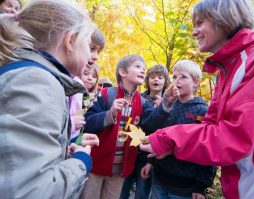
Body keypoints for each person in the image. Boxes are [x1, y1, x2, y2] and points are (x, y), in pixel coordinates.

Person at [140, 0, 254, 198]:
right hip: (244, 185)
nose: (194, 32)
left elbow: (236, 138)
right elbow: (211, 127)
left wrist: (169, 140)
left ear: (224, 18)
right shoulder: (228, 69)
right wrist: (168, 145)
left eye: (200, 23)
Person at [0, 0, 100, 198]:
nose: (92, 55)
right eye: (88, 45)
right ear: (70, 41)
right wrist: (80, 161)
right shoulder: (37, 81)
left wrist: (61, 155)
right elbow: (30, 191)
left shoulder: (28, 75)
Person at [81, 54, 178, 199]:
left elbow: (151, 125)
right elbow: (87, 123)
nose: (143, 71)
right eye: (138, 66)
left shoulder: (143, 102)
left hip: (121, 170)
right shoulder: (105, 94)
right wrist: (110, 113)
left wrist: (165, 105)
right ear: (123, 72)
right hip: (96, 166)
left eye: (144, 68)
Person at [142, 60, 215, 199]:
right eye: (174, 77)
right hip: (159, 178)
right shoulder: (169, 106)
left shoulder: (202, 111)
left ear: (196, 82)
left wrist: (200, 186)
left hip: (184, 186)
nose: (177, 81)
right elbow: (155, 133)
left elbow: (207, 149)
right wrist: (150, 162)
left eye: (183, 77)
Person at [120, 64, 170, 199]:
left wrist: (151, 162)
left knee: (142, 193)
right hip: (130, 152)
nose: (156, 80)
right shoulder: (138, 99)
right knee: (122, 191)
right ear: (147, 80)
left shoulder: (170, 103)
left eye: (160, 77)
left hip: (149, 157)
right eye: (152, 77)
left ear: (166, 81)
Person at [70, 29, 105, 142]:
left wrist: (78, 140)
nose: (96, 57)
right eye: (91, 49)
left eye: (98, 52)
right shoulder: (64, 79)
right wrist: (70, 124)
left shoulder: (91, 95)